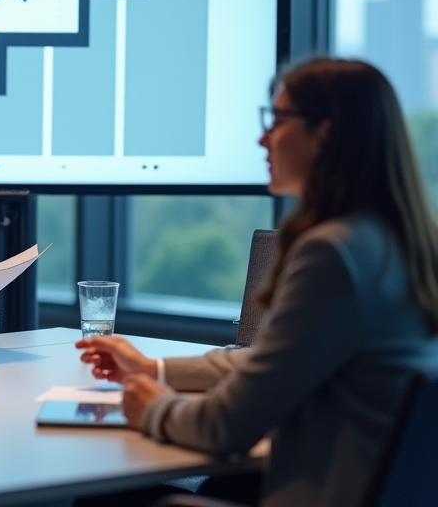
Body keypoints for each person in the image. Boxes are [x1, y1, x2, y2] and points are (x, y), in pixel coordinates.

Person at [76, 57, 438, 507]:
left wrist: (151, 406)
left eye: (278, 120)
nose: (261, 139)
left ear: (324, 133)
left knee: (108, 499)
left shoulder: (333, 254)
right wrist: (156, 371)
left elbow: (227, 428)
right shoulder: (399, 243)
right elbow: (273, 363)